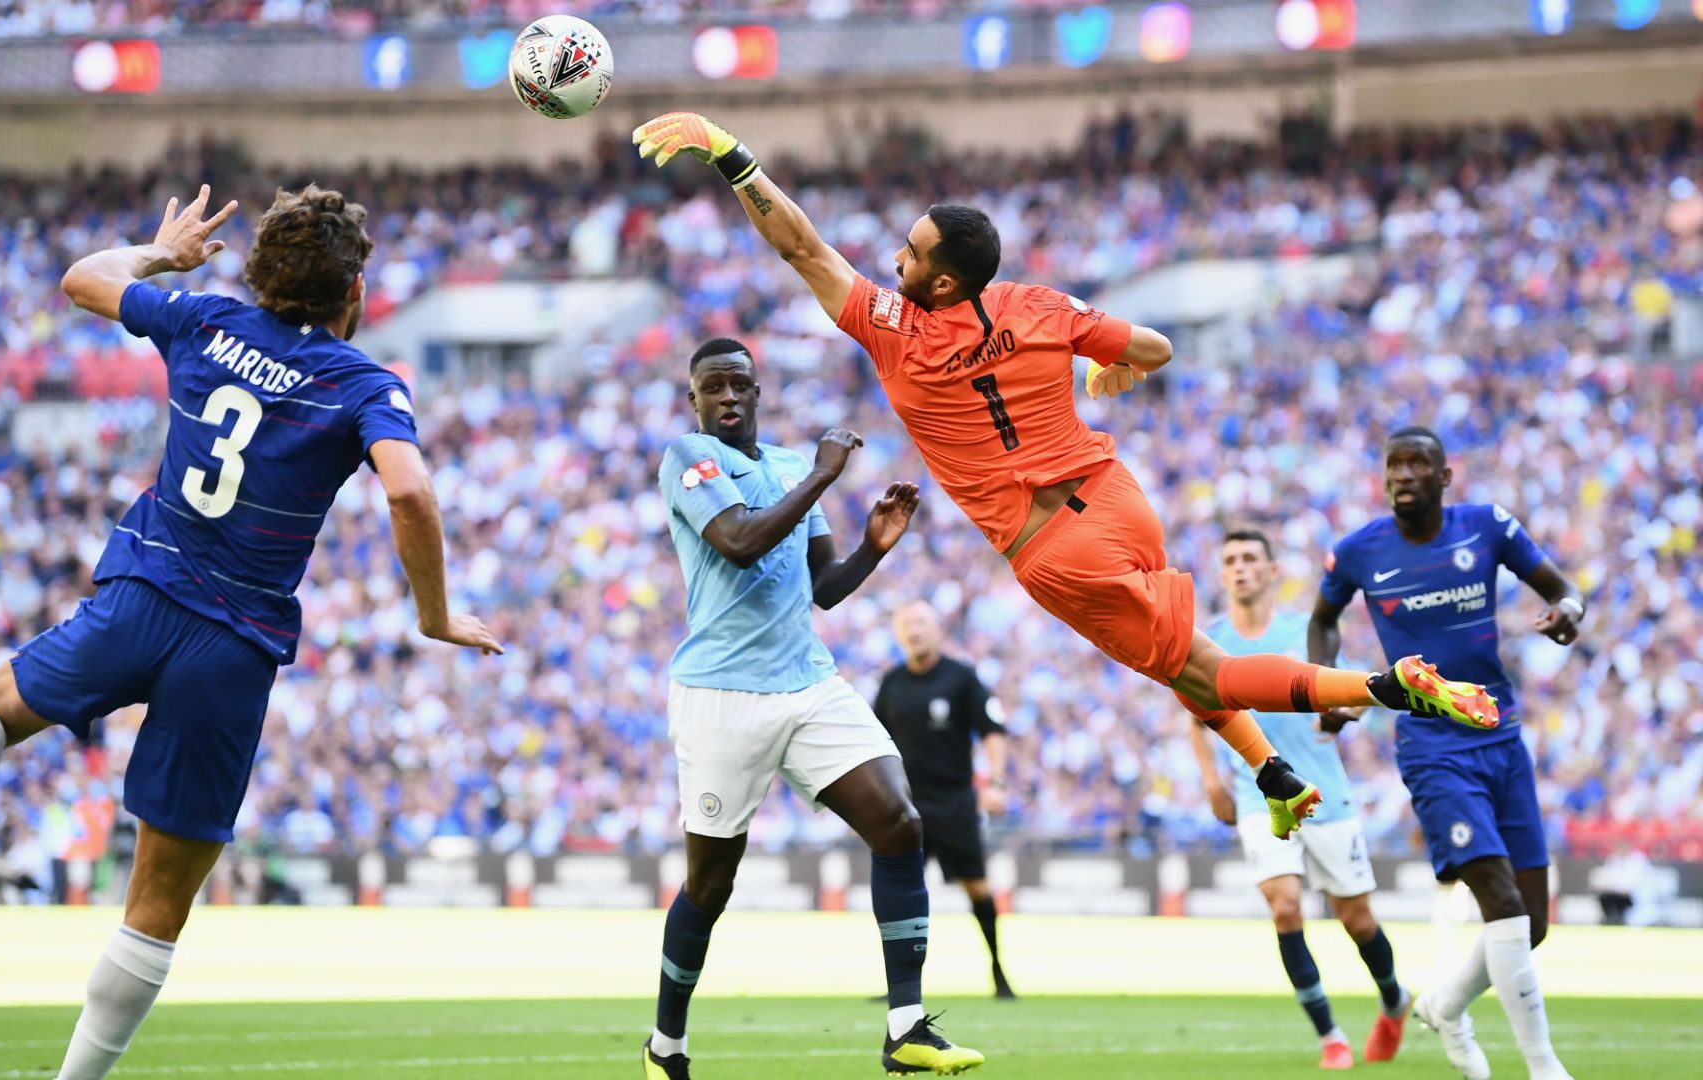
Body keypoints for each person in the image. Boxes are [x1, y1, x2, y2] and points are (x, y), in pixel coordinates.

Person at [631, 112, 1502, 844]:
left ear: (939, 278)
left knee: (1212, 670)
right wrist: (1105, 374)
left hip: (1054, 546)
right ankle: (1271, 772)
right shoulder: (1036, 305)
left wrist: (728, 151)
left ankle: (1390, 687)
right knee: (1178, 662)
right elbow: (1154, 349)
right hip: (1119, 497)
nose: (894, 258)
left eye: (909, 250)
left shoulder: (896, 329)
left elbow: (801, 247)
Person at [0, 184, 503, 1079]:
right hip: (234, 646)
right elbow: (409, 489)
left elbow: (82, 278)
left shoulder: (202, 322)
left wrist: (164, 255)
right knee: (158, 900)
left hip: (142, 595)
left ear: (260, 275)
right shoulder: (365, 383)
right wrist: (435, 614)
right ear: (356, 291)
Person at [644, 338, 983, 1079]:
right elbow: (736, 541)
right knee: (711, 884)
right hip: (721, 695)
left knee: (899, 822)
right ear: (694, 400)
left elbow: (823, 587)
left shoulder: (793, 465)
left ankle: (905, 1029)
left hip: (806, 682)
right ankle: (665, 1043)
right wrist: (828, 477)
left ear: (758, 393)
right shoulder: (688, 458)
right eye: (713, 388)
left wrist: (872, 549)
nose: (728, 397)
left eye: (740, 385)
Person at [1310, 426, 1582, 1080]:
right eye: (1393, 466)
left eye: (1417, 464)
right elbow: (1322, 620)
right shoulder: (1358, 552)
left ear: (1444, 476)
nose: (1402, 475)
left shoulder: (1484, 527)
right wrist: (1330, 686)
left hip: (1502, 736)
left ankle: (1445, 1005)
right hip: (1432, 745)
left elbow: (1560, 588)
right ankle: (1544, 1068)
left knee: (1532, 922)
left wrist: (1569, 609)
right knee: (1501, 903)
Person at [1187, 530, 1409, 1071]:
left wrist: (1345, 713)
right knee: (1284, 907)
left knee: (1356, 920)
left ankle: (1394, 1000)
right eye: (1230, 560)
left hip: (1326, 793)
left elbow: (1355, 693)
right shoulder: (1208, 641)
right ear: (1221, 574)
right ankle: (1330, 1035)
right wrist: (1213, 783)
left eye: (1249, 559)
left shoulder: (1303, 633)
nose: (1239, 569)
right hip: (1257, 793)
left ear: (1271, 571)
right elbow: (1196, 713)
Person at [873, 599, 1015, 1000]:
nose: (913, 630)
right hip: (904, 805)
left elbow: (993, 731)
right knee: (901, 891)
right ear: (898, 635)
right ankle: (900, 987)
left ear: (937, 629)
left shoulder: (962, 678)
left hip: (953, 801)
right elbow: (873, 739)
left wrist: (997, 782)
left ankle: (998, 973)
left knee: (977, 887)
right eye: (905, 624)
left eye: (920, 622)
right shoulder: (891, 683)